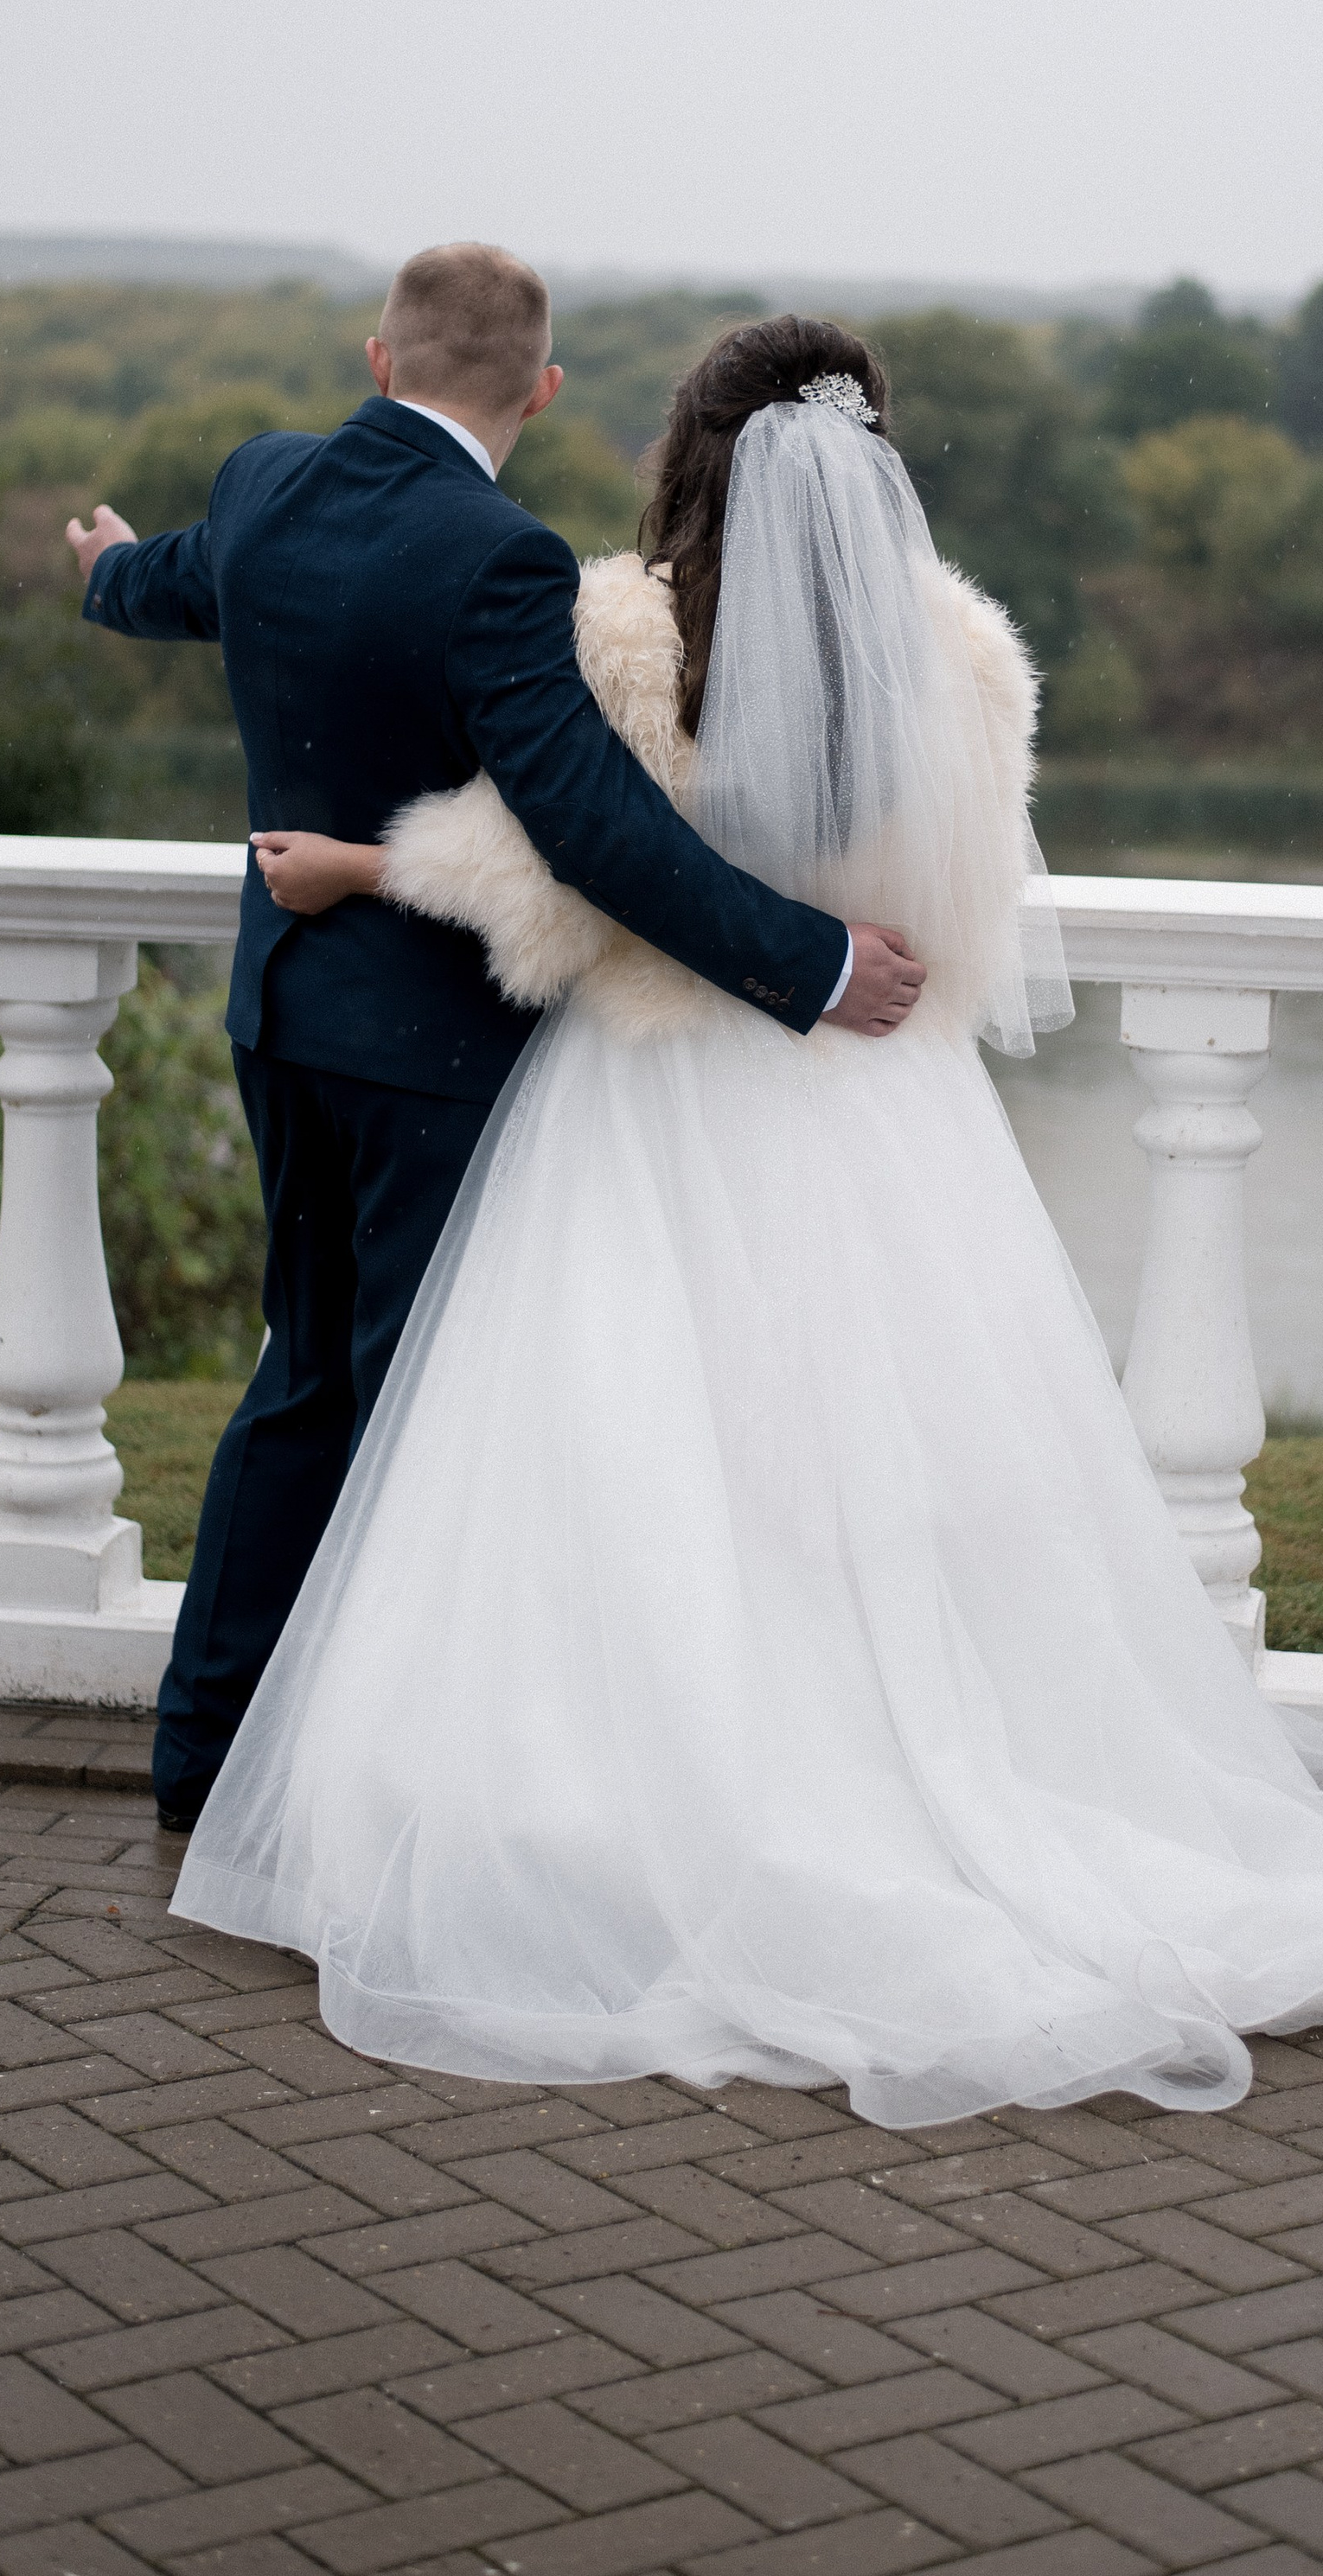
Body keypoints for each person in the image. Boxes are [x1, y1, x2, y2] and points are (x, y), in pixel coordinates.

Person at [169, 314, 1323, 2126]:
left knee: (643, 1448)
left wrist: (358, 864)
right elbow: (968, 892)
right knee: (892, 1457)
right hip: (887, 1104)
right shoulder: (957, 652)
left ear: (686, 453)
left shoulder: (628, 631)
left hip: (657, 1098)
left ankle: (654, 1794)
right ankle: (915, 1763)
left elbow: (567, 878)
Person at [67, 248, 925, 1834]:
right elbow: (595, 828)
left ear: (376, 353)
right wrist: (808, 966)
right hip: (432, 1057)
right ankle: (381, 1791)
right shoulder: (504, 562)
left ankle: (205, 1754)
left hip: (281, 1017)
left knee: (301, 1376)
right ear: (539, 390)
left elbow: (177, 579)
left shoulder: (261, 482)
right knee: (421, 1416)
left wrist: (106, 566)